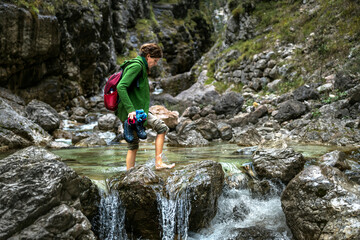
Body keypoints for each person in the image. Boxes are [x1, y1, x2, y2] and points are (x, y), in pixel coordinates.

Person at [116, 43, 175, 170]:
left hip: (134, 111)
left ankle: (129, 174)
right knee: (162, 128)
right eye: (155, 60)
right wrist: (131, 110)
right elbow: (121, 87)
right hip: (133, 112)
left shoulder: (140, 65)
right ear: (148, 56)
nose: (155, 64)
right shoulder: (137, 66)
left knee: (133, 145)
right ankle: (158, 162)